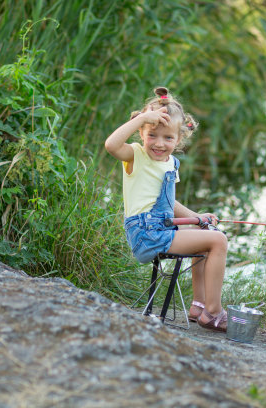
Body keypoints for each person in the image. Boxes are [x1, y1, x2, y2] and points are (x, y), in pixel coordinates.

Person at [105, 87, 229, 332]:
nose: (159, 144)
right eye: (152, 135)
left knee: (203, 229)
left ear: (179, 139)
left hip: (160, 229)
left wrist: (196, 217)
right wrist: (142, 118)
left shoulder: (171, 163)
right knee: (219, 241)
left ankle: (198, 305)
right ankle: (213, 313)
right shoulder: (135, 156)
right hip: (145, 234)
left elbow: (168, 203)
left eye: (168, 138)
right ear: (141, 132)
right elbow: (111, 145)